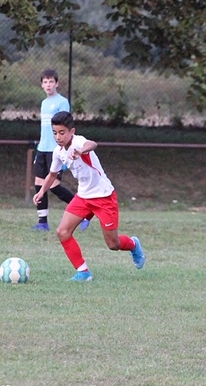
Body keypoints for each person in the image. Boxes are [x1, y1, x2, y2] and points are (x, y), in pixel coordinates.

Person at [33, 111, 146, 281]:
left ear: (72, 131)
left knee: (113, 244)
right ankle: (83, 272)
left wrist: (80, 151)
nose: (58, 137)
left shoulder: (78, 141)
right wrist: (42, 191)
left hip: (103, 197)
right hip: (84, 197)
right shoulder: (58, 152)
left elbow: (92, 144)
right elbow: (52, 175)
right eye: (55, 133)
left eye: (62, 132)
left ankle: (133, 244)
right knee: (63, 232)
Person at [32, 69, 89, 232]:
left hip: (55, 150)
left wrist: (66, 147)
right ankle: (42, 222)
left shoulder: (62, 102)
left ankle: (84, 212)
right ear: (42, 85)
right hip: (42, 149)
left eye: (51, 81)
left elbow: (65, 126)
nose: (48, 85)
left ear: (56, 83)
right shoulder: (44, 103)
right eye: (45, 82)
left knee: (54, 185)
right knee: (39, 183)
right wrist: (39, 147)